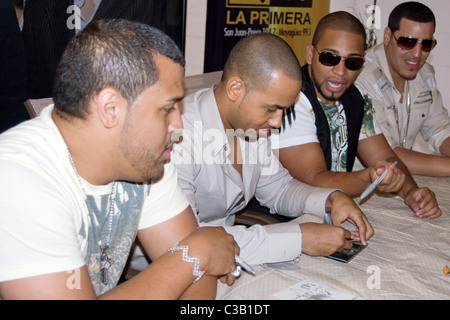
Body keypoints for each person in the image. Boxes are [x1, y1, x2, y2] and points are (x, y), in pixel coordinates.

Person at [0, 19, 239, 300]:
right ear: (110, 108)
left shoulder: (144, 158)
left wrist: (195, 259)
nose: (179, 125)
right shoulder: (17, 179)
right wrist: (192, 255)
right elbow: (198, 260)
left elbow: (199, 283)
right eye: (167, 108)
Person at [172, 33, 374, 266]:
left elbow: (279, 188)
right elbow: (184, 241)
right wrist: (299, 239)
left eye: (284, 110)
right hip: (170, 270)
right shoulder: (178, 137)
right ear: (236, 89)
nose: (278, 122)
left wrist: (330, 198)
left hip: (224, 254)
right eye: (271, 109)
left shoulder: (251, 126)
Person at [275, 11, 441, 220]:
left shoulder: (356, 98)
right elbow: (315, 179)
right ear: (310, 54)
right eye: (330, 58)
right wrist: (369, 178)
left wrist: (411, 192)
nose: (340, 71)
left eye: (352, 63)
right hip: (287, 221)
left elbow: (385, 157)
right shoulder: (292, 100)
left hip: (329, 214)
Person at [355, 2, 450, 177]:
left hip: (401, 180)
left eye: (426, 44)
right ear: (387, 36)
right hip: (363, 184)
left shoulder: (425, 75)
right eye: (407, 42)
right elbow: (385, 154)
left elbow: (439, 129)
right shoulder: (363, 78)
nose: (416, 53)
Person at [22, 0, 174, 99]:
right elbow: (31, 84)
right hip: (54, 136)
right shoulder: (38, 5)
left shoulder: (147, 4)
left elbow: (157, 73)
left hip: (119, 133)